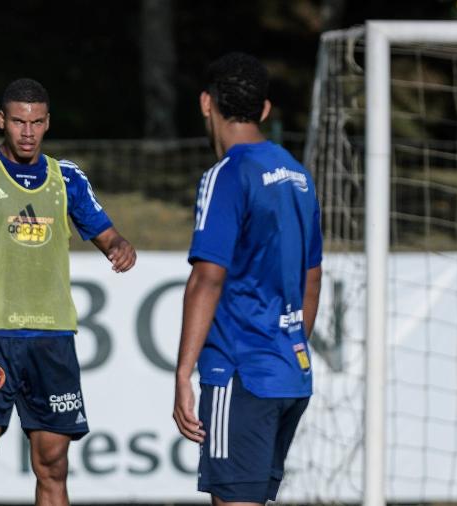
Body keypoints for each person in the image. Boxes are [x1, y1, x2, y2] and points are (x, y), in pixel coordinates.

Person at [0, 78, 136, 506]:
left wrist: (121, 247)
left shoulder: (66, 178)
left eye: (36, 122)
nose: (27, 132)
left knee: (53, 464)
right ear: (2, 120)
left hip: (53, 340)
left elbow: (110, 238)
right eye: (18, 121)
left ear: (47, 122)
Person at [172, 52, 323, 506]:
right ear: (265, 109)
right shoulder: (296, 174)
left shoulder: (228, 174)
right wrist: (289, 345)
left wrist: (183, 373)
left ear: (205, 103)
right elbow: (312, 277)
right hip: (289, 373)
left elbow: (207, 279)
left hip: (240, 372)